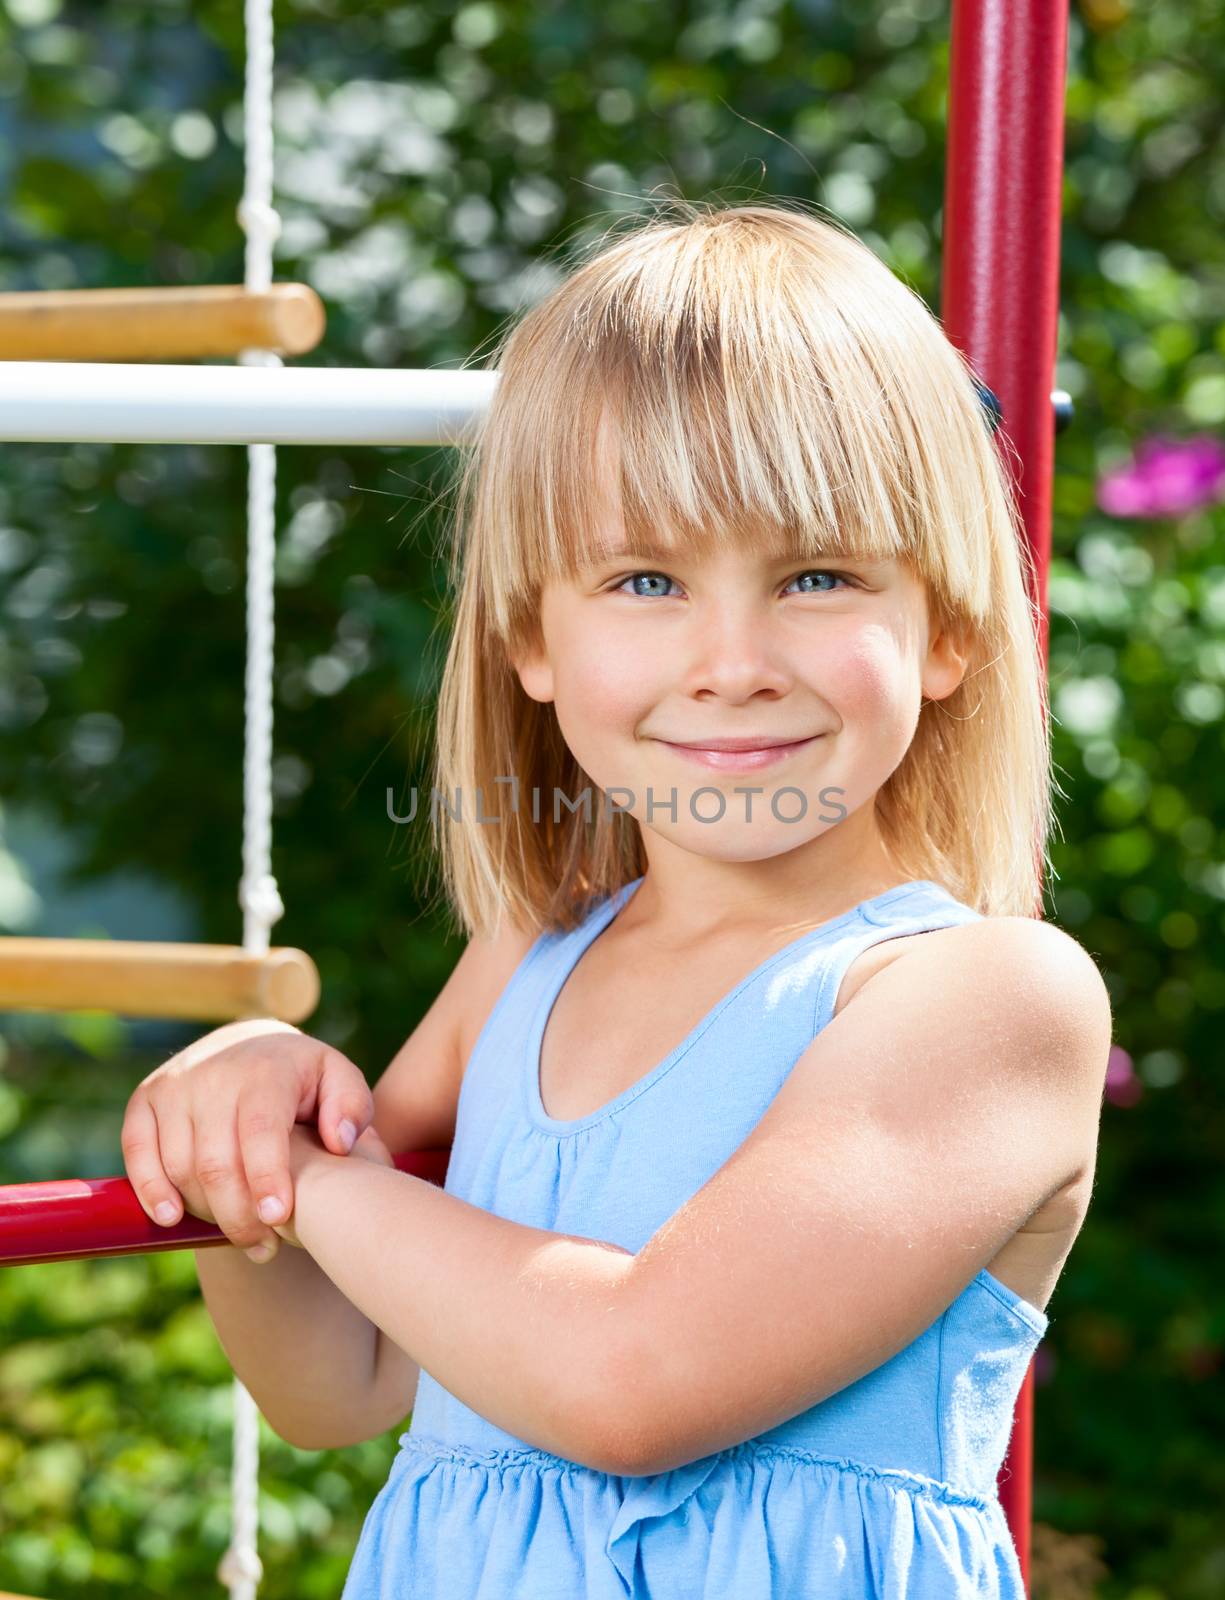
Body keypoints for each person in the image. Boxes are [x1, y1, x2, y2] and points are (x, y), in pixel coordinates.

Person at [122, 199, 1113, 1599]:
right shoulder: (530, 958)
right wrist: (238, 1123)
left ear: (945, 628)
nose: (730, 661)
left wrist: (314, 1179)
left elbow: (628, 1383)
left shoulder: (981, 998)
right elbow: (335, 1380)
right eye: (644, 579)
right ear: (533, 636)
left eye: (816, 576)